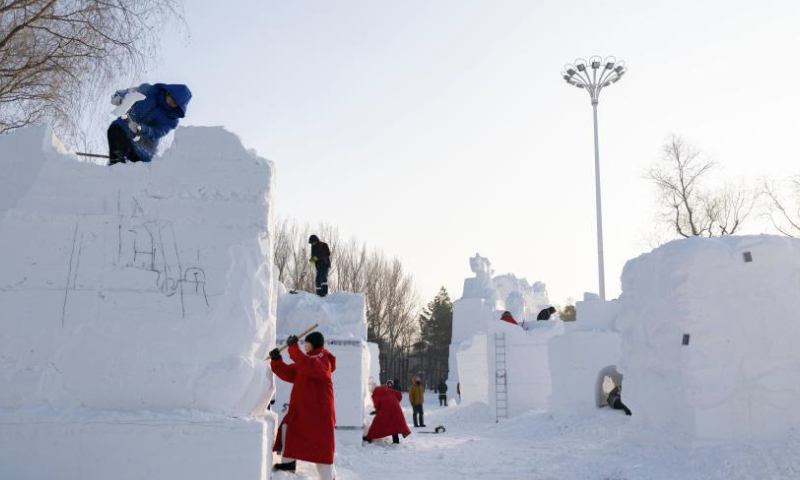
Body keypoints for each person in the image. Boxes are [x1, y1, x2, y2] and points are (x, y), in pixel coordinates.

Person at [268, 332, 337, 480]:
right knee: (290, 428)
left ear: (315, 344)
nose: (304, 345)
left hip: (319, 414)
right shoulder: (307, 361)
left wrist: (293, 348)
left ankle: (329, 477)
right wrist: (276, 361)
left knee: (322, 449)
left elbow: (308, 365)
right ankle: (288, 463)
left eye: (307, 343)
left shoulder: (323, 359)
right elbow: (290, 373)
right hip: (303, 410)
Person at [107, 83, 192, 165]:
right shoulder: (147, 90)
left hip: (143, 147)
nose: (172, 103)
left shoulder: (171, 120)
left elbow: (157, 132)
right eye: (172, 99)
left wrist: (140, 128)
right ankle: (116, 163)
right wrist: (119, 98)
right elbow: (128, 93)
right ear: (168, 92)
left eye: (176, 103)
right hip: (123, 128)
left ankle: (128, 170)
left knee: (137, 164)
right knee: (114, 131)